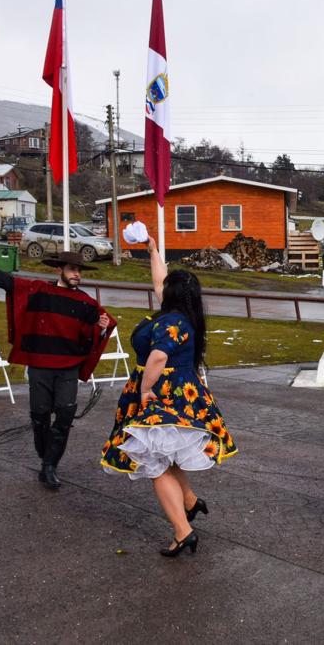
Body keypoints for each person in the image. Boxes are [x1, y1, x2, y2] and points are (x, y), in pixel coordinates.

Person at [100, 235, 236, 557]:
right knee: (166, 454)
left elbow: (158, 357)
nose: (160, 289)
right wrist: (152, 250)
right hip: (184, 393)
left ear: (173, 295)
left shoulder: (172, 321)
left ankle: (182, 530)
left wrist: (145, 390)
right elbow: (160, 282)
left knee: (153, 463)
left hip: (162, 394)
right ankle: (189, 501)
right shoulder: (183, 314)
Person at [0, 249, 114, 489]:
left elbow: (91, 335)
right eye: (72, 269)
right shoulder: (38, 291)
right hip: (40, 366)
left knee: (65, 415)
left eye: (79, 271)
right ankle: (46, 459)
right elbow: (7, 282)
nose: (77, 274)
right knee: (40, 416)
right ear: (59, 269)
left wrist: (102, 327)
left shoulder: (87, 303)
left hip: (68, 368)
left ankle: (50, 466)